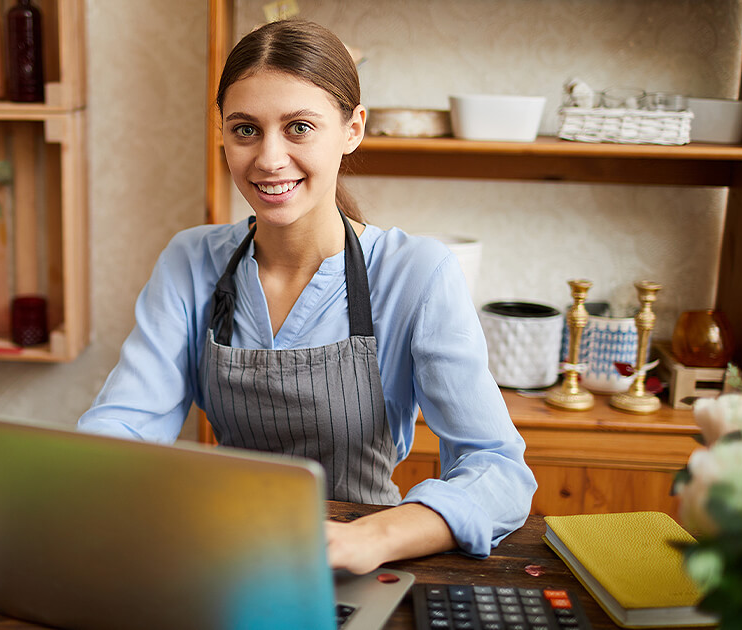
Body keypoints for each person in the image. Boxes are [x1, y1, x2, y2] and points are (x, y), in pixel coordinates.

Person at [77, 19, 535, 574]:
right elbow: (124, 425)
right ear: (222, 133)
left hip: (358, 566)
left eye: (298, 127)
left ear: (352, 130)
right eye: (245, 129)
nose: (269, 159)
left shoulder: (417, 272)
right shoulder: (191, 261)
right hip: (227, 556)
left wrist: (380, 536)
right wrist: (89, 480)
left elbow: (499, 469)